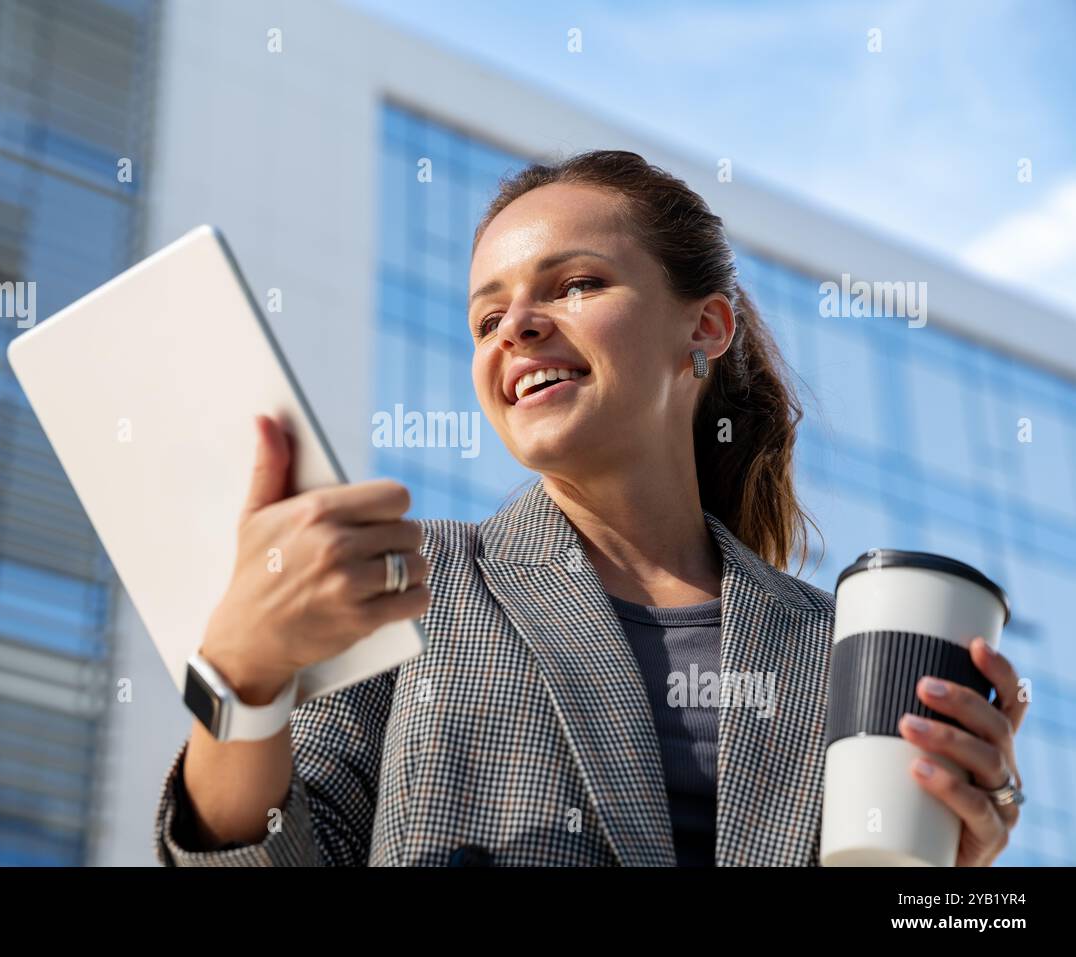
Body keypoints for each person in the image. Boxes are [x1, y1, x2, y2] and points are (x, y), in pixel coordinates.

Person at [154, 150, 1028, 866]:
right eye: (486, 314)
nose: (515, 327)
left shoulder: (843, 649)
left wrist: (949, 883)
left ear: (706, 328)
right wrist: (242, 677)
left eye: (573, 284)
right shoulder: (411, 581)